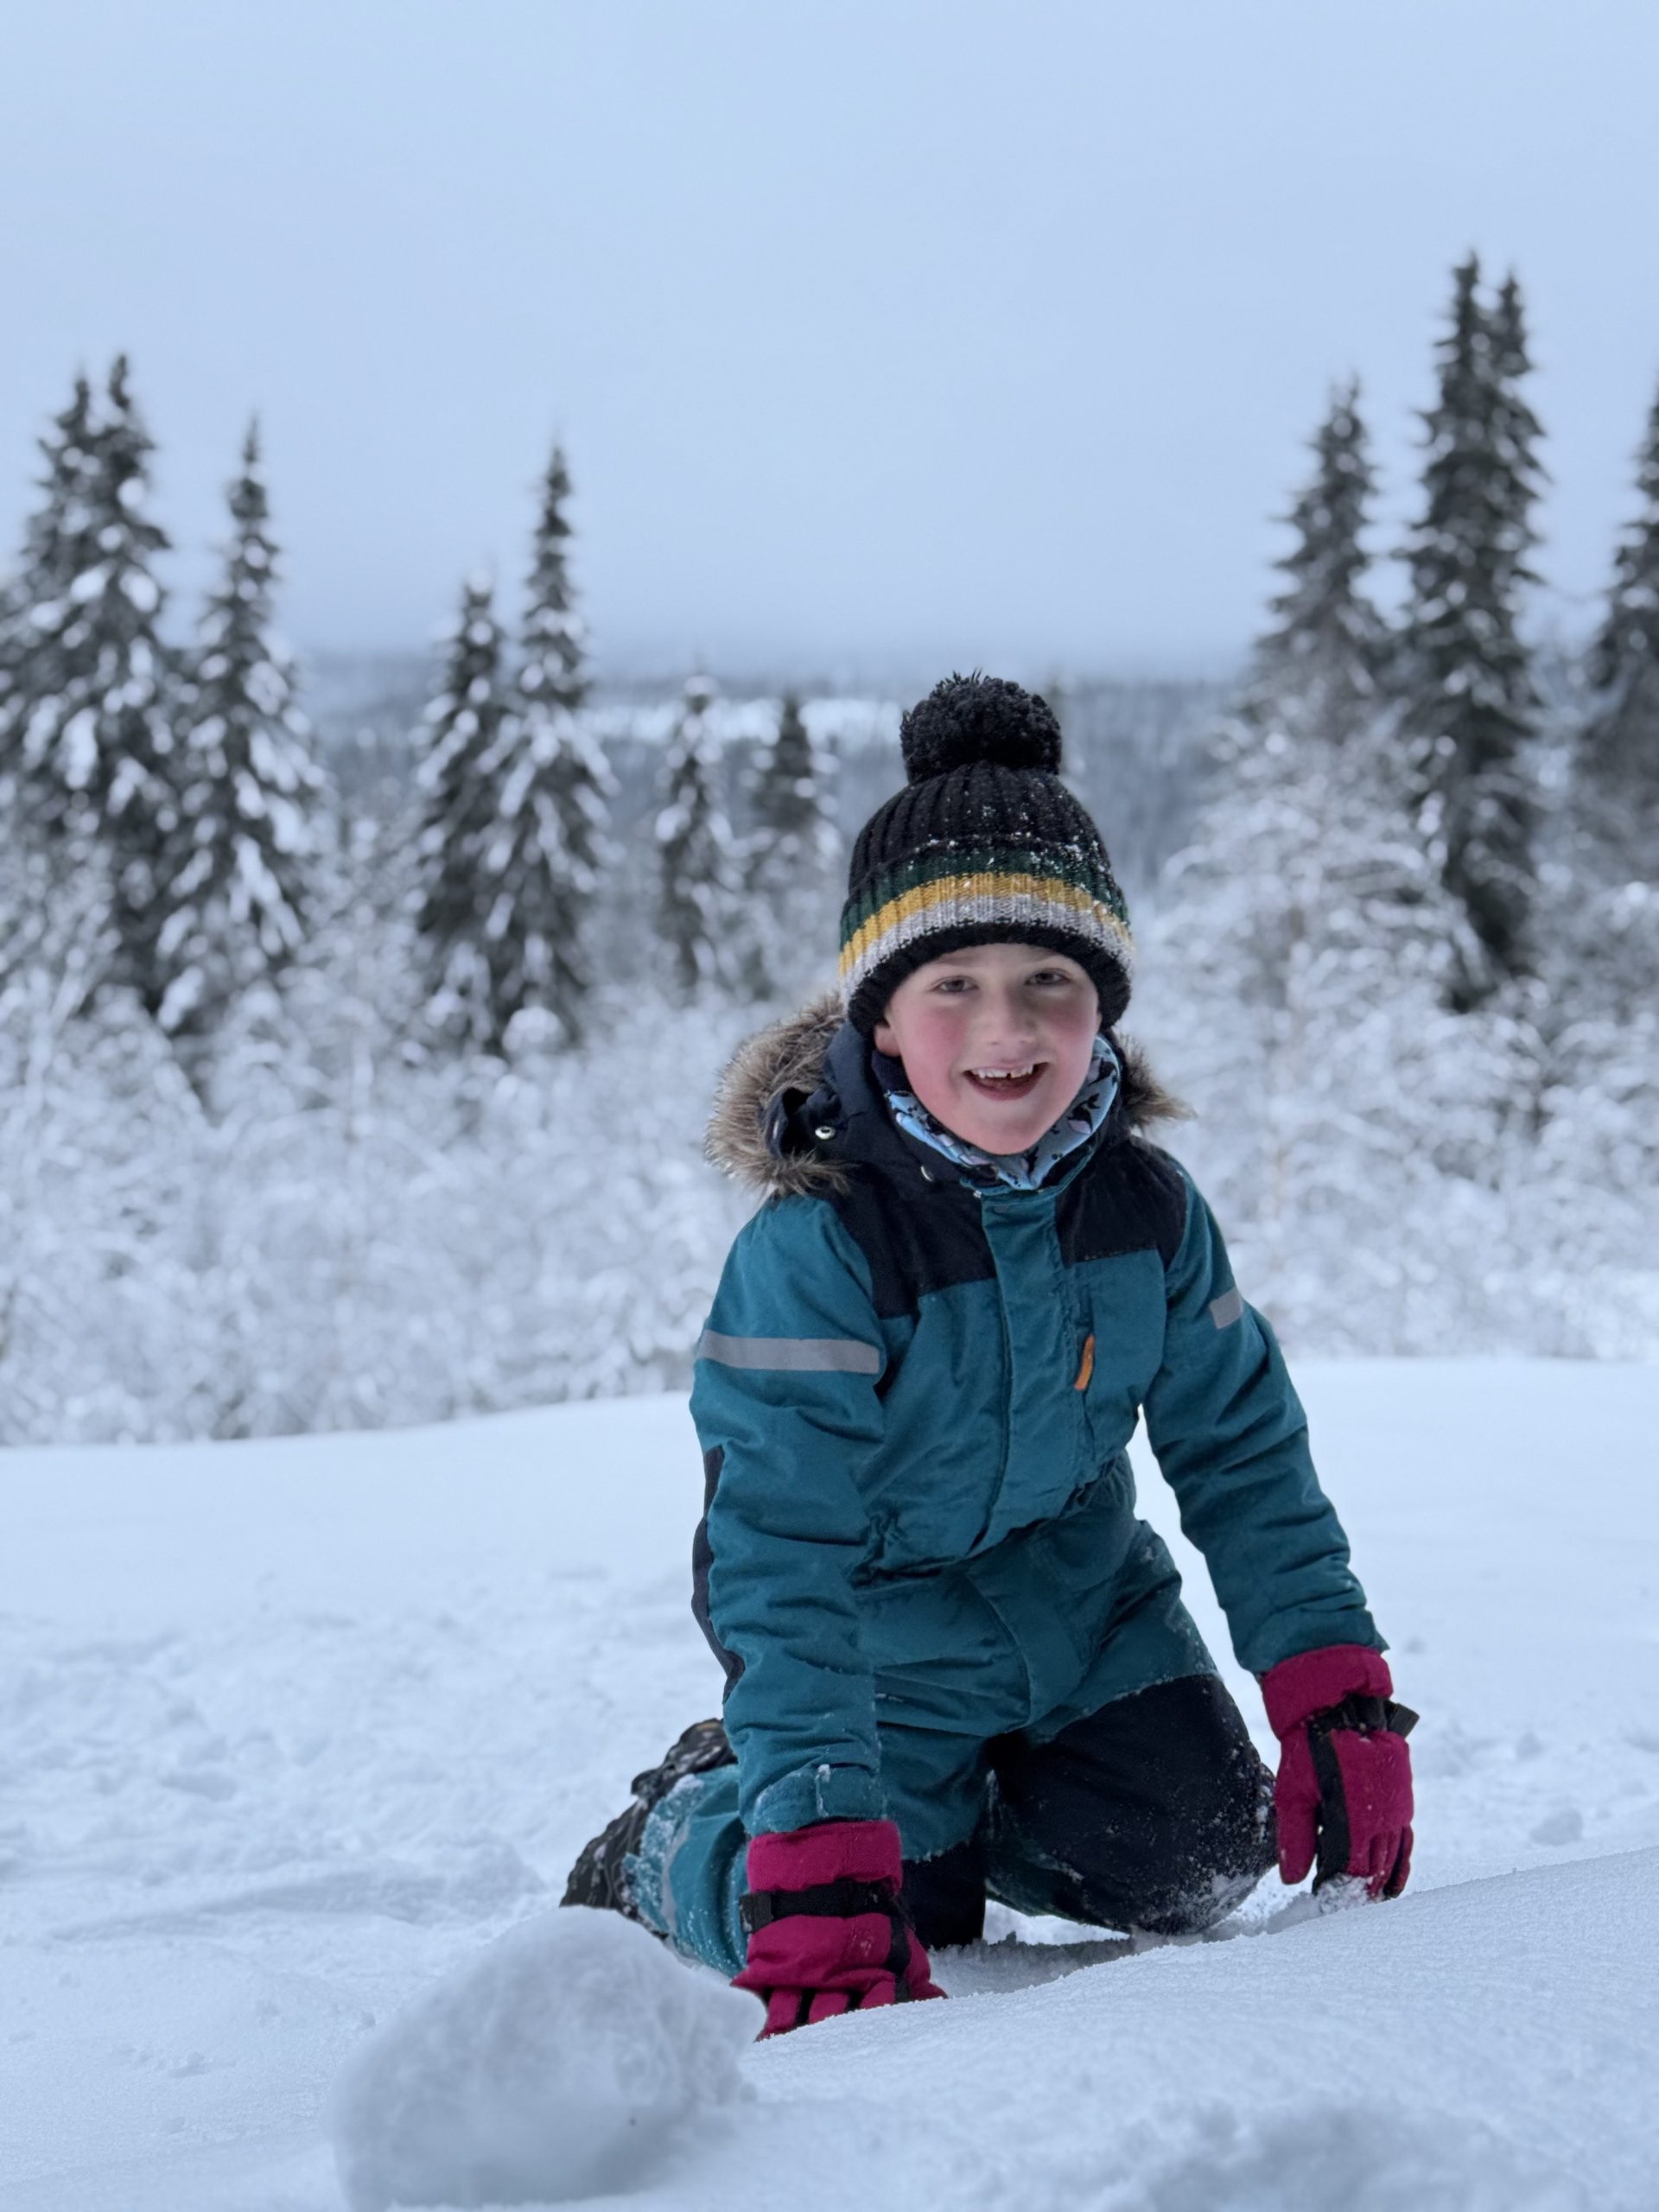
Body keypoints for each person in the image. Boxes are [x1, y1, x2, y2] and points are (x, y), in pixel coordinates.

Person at [563, 672, 1415, 2037]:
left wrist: (1331, 1683)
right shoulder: (822, 1248)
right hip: (879, 1656)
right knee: (864, 1906)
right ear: (880, 1019)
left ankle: (973, 1814)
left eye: (1049, 984)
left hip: (1087, 1620)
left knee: (1204, 1860)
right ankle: (688, 1830)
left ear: (1103, 1009)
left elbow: (1241, 1451)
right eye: (952, 986)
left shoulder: (1146, 1211)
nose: (1007, 1032)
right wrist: (819, 1825)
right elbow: (778, 1554)